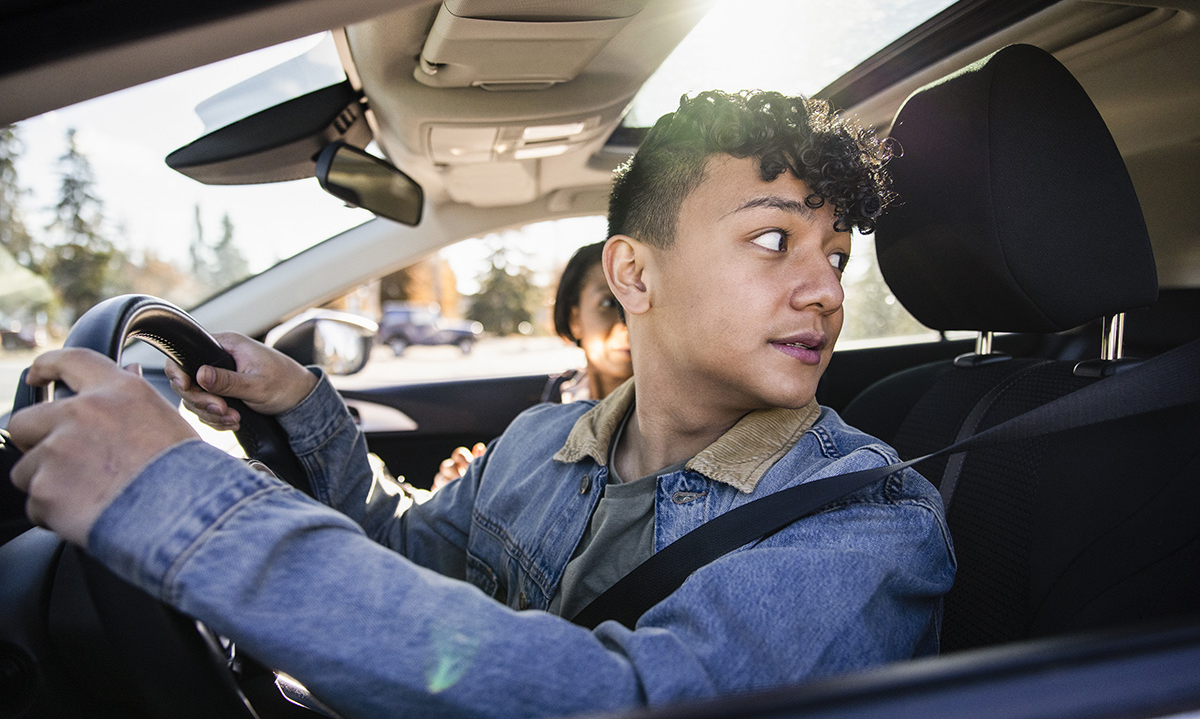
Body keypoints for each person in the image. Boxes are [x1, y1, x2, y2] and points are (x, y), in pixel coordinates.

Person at [9, 90, 955, 719]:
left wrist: (180, 508)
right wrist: (301, 404)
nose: (825, 292)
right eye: (772, 241)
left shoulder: (868, 519)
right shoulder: (546, 441)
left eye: (832, 256)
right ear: (633, 271)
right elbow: (406, 556)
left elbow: (627, 702)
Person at [433, 240, 633, 489]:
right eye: (609, 304)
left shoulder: (663, 420)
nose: (627, 323)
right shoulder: (560, 393)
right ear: (575, 319)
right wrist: (470, 486)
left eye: (638, 300)